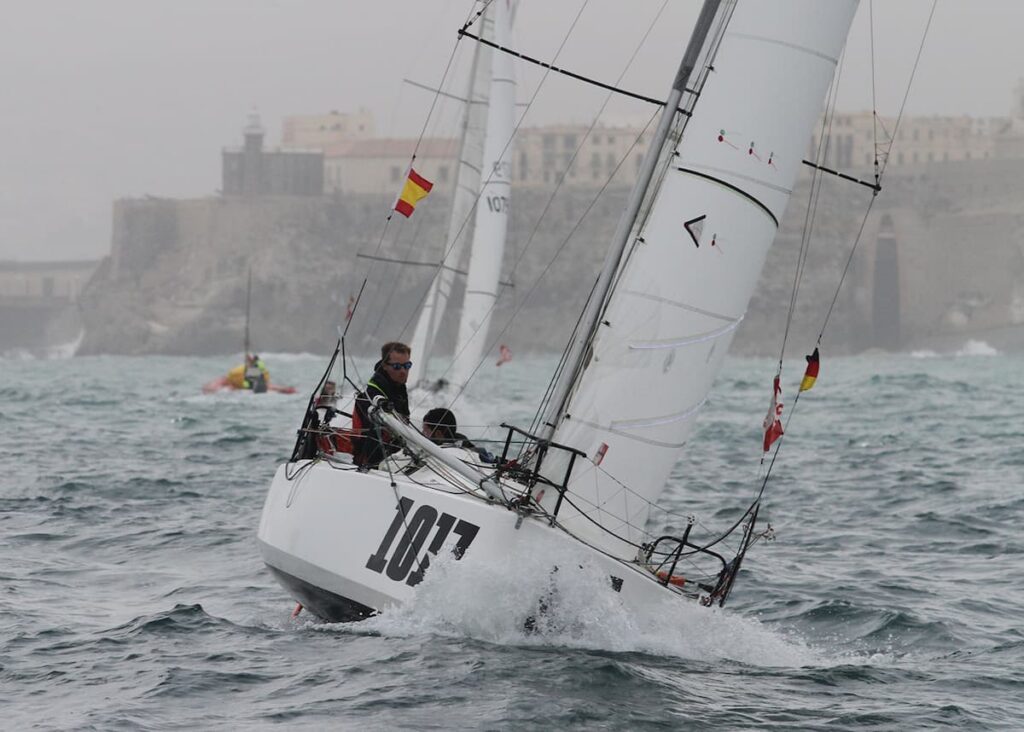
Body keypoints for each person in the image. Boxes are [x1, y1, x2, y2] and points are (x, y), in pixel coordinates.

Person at [352, 342, 412, 469]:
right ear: (384, 365)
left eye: (407, 366)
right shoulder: (372, 394)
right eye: (397, 366)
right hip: (372, 465)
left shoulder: (398, 387)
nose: (403, 371)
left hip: (396, 459)